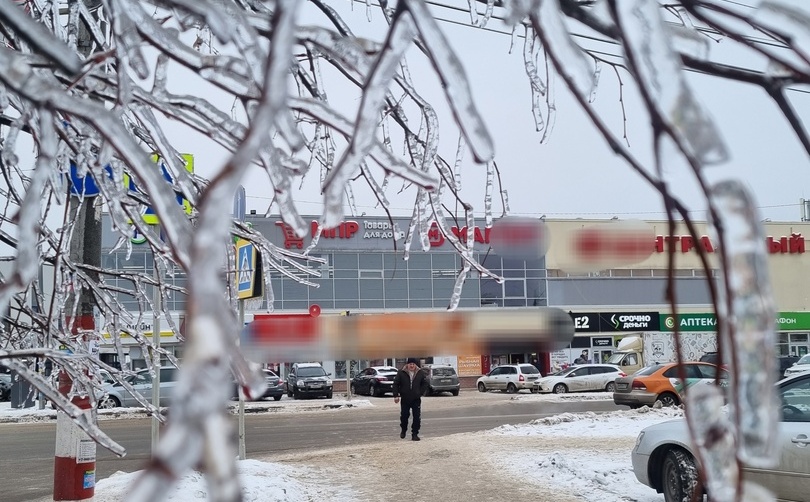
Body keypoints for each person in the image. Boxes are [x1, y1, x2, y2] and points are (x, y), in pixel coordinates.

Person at [392, 357, 429, 441]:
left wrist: (420, 392)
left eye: (413, 364)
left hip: (416, 399)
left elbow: (425, 383)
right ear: (407, 364)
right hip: (405, 398)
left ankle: (415, 434)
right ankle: (403, 430)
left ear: (415, 365)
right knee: (404, 416)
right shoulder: (401, 372)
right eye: (410, 364)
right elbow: (396, 384)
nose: (412, 366)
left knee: (417, 417)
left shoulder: (420, 373)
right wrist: (396, 395)